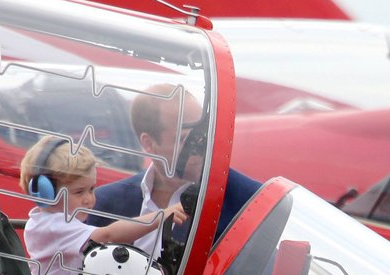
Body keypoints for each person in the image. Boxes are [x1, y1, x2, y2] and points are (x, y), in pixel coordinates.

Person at [21, 135, 187, 275]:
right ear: (45, 192)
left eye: (91, 189)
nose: (89, 199)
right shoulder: (54, 227)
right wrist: (159, 217)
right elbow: (108, 235)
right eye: (79, 192)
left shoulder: (42, 221)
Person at [87, 83, 261, 247]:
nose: (200, 147)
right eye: (186, 139)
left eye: (202, 135)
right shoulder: (103, 205)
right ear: (149, 143)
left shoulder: (248, 201)